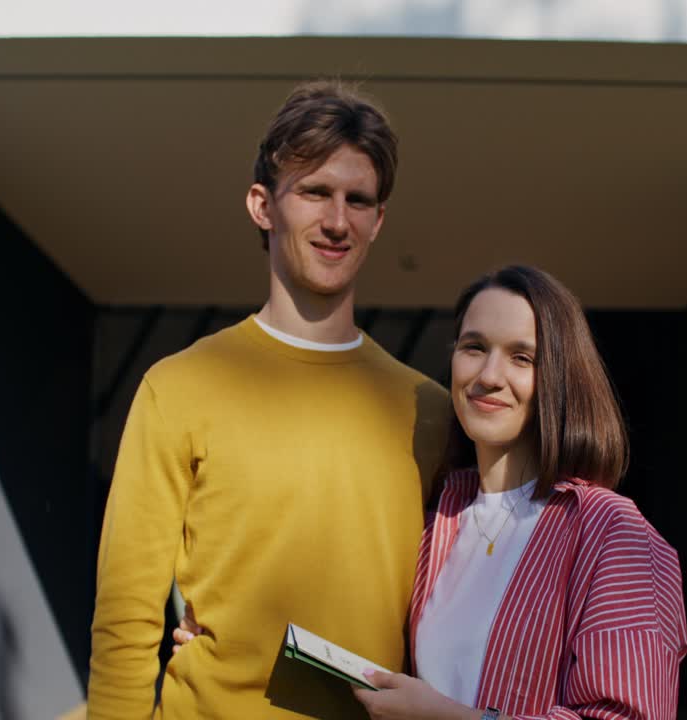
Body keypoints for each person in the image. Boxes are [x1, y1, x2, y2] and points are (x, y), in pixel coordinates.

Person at [86, 81, 450, 719]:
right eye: (314, 193)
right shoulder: (177, 388)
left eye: (358, 200)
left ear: (378, 221)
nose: (338, 221)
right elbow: (126, 618)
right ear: (262, 206)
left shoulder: (429, 409)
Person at [349, 265, 687, 720]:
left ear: (560, 379)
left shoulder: (614, 534)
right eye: (474, 347)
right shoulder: (437, 528)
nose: (489, 375)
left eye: (522, 358)